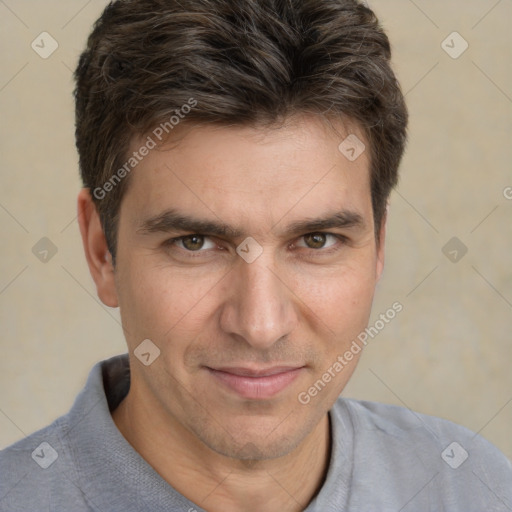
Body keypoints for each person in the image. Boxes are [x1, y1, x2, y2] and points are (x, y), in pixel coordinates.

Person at [1, 0, 511, 510]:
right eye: (194, 243)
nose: (261, 325)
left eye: (316, 241)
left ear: (379, 243)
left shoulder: (469, 485)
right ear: (101, 252)